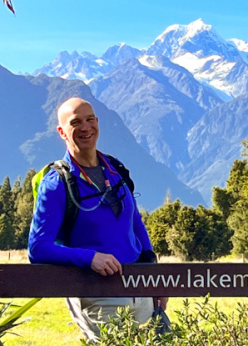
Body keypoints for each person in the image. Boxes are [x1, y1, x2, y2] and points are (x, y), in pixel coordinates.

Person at [28, 96, 167, 340]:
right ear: (62, 131)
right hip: (96, 294)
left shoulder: (115, 170)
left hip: (139, 289)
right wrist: (89, 258)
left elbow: (135, 224)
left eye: (90, 120)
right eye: (75, 123)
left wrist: (153, 279)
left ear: (98, 123)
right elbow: (37, 248)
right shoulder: (57, 184)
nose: (85, 128)